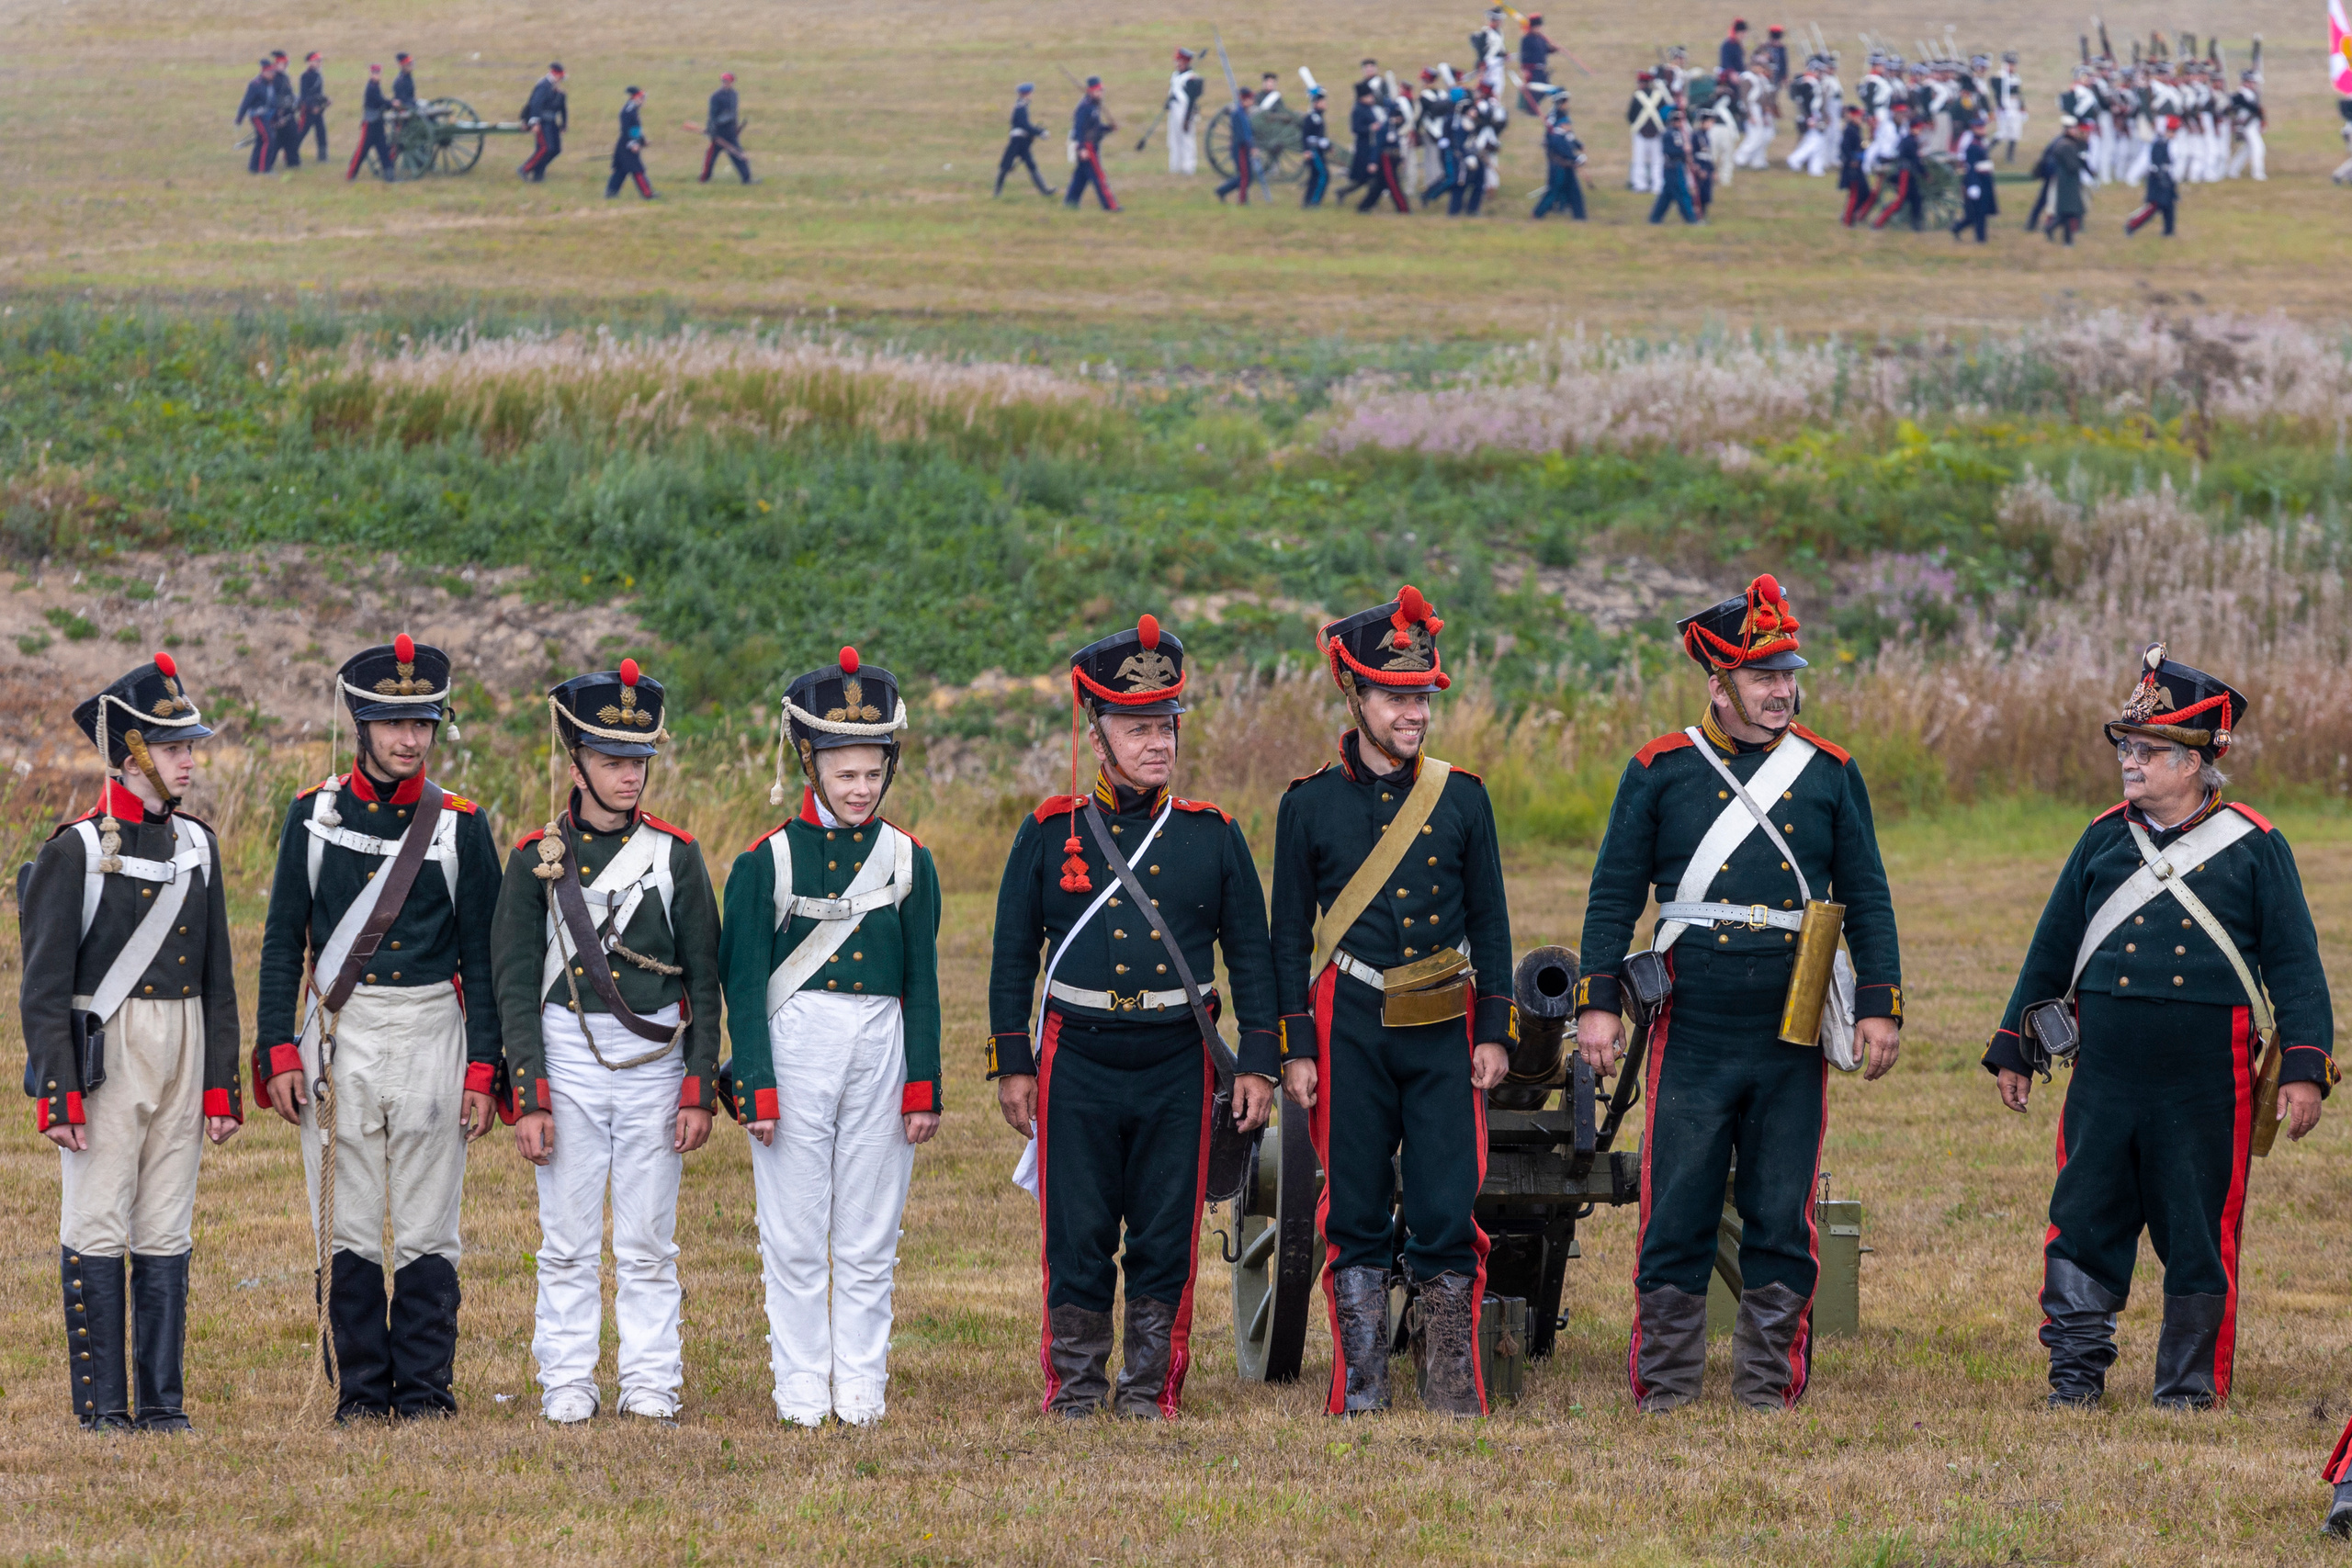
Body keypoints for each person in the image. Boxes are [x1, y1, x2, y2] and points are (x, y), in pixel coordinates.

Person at [1576, 576, 1902, 1414]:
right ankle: (1667, 1384)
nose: (1782, 689)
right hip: (1694, 1020)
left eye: (1788, 673)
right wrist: (1599, 1003)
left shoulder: (1830, 773)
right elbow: (1614, 894)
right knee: (1676, 1199)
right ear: (1718, 685)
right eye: (1763, 677)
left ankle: (1768, 1385)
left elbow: (1866, 894)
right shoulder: (1660, 769)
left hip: (1789, 1023)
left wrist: (1878, 1002)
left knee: (1780, 1203)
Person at [1986, 646, 2329, 1421]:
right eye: (2127, 747)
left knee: (2199, 1225)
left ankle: (2187, 1386)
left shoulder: (2255, 845)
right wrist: (2017, 1043)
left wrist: (2304, 1066)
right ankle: (2074, 1377)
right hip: (2103, 1070)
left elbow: (2296, 967)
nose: (2129, 762)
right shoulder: (2103, 838)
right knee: (2083, 1216)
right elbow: (2051, 946)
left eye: (2148, 750)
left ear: (2199, 764)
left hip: (2207, 1080)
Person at [986, 615, 1279, 1419]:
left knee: (1162, 1231)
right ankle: (1075, 1388)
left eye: (1167, 724)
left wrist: (1255, 1061)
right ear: (1099, 730)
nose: (1159, 742)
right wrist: (1014, 1061)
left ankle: (1150, 1388)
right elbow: (1013, 953)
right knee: (1075, 1233)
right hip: (1074, 1056)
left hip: (1177, 1060)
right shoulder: (1050, 831)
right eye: (1139, 726)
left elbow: (1251, 956)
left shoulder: (1212, 835)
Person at [1270, 587, 1515, 1417]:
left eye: (1423, 697)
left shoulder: (1464, 797)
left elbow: (1492, 920)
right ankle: (1362, 1387)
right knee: (1357, 1205)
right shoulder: (1306, 804)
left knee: (1449, 1201)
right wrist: (1295, 1045)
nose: (1414, 713)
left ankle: (1452, 1386)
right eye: (1398, 697)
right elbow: (1286, 937)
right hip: (1349, 1022)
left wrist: (1494, 1029)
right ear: (1356, 696)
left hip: (1446, 1017)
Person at [254, 637, 503, 1423]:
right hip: (339, 1029)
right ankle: (361, 1392)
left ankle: (426, 1391)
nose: (411, 739)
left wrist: (483, 1068)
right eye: (394, 723)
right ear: (360, 724)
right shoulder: (313, 816)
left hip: (433, 1026)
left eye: (423, 723)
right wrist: (278, 1046)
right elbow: (279, 937)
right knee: (349, 1222)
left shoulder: (462, 827)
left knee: (430, 1222)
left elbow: (485, 962)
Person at [492, 662, 721, 1426]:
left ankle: (652, 1378)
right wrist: (530, 1095)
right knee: (566, 1237)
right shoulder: (534, 857)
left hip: (654, 1059)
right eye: (615, 760)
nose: (631, 775)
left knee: (650, 1237)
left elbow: (705, 980)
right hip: (566, 1052)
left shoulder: (677, 855)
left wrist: (697, 1085)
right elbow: (515, 985)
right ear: (577, 761)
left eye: (640, 760)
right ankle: (567, 1377)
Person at [720, 649, 941, 1427]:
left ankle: (861, 1384)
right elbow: (742, 987)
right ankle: (800, 1384)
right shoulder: (764, 861)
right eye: (845, 774)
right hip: (797, 1039)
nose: (860, 789)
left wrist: (924, 1083)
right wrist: (756, 1084)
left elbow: (923, 981)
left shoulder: (909, 858)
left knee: (872, 1229)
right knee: (794, 1228)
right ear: (809, 765)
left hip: (881, 1039)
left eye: (873, 773)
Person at [20, 654, 238, 1433]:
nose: (189, 758)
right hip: (106, 1043)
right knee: (99, 1219)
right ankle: (106, 1406)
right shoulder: (74, 849)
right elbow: (43, 988)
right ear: (132, 754)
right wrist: (58, 1089)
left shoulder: (198, 847)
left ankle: (162, 1403)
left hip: (182, 1041)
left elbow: (219, 977)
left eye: (188, 745)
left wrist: (220, 1081)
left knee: (167, 1222)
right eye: (173, 746)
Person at [1065, 77, 1118, 212]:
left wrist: (1109, 128)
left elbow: (1096, 127)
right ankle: (1110, 206)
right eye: (1098, 91)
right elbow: (1079, 129)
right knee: (1098, 177)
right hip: (1087, 146)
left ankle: (1070, 202)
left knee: (1081, 176)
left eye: (1101, 91)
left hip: (1093, 145)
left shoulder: (1094, 106)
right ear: (1091, 91)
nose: (1101, 93)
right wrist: (1082, 148)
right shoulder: (1084, 107)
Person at [1531, 99, 1586, 219]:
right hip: (1559, 167)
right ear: (1562, 125)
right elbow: (1565, 152)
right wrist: (1577, 158)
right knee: (1553, 191)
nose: (1569, 126)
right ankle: (1537, 214)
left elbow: (1571, 147)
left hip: (1568, 167)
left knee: (1574, 191)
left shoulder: (1566, 136)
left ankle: (1580, 216)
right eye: (1567, 125)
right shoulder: (1557, 137)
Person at [1871, 114, 1928, 230]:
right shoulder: (1910, 141)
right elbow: (1915, 160)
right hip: (1905, 173)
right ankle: (1878, 222)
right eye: (1919, 128)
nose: (1920, 131)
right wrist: (1925, 173)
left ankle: (1916, 224)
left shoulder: (1908, 140)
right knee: (1900, 201)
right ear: (1913, 128)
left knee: (1916, 199)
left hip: (1908, 174)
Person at [995, 84, 1052, 197]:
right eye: (1030, 94)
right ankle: (997, 192)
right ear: (1026, 94)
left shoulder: (1022, 106)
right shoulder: (1021, 107)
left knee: (1031, 165)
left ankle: (1044, 190)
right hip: (1017, 141)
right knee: (1006, 165)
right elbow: (1024, 125)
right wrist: (1040, 132)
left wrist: (1035, 132)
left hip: (1022, 141)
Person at [2124, 117, 2178, 236]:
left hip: (2166, 178)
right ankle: (2132, 225)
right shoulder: (2157, 143)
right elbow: (2151, 164)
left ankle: (2168, 231)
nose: (2174, 134)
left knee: (2169, 207)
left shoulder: (2168, 143)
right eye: (2171, 130)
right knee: (2153, 207)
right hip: (2158, 180)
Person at [1951, 115, 1997, 242]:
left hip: (1984, 180)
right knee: (1978, 213)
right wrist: (1973, 185)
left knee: (1980, 212)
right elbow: (1971, 167)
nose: (1984, 130)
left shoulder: (1980, 143)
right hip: (1977, 181)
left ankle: (1972, 234)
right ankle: (1980, 238)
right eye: (1981, 128)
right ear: (1975, 129)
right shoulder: (1972, 146)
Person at [518, 62, 567, 182]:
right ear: (555, 75)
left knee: (556, 149)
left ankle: (538, 173)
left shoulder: (556, 89)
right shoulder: (543, 85)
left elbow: (562, 108)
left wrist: (563, 124)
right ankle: (525, 169)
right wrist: (534, 122)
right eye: (560, 77)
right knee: (545, 148)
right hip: (542, 122)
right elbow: (535, 104)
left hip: (552, 122)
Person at [1648, 107, 1699, 223]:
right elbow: (1669, 151)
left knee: (1666, 195)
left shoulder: (1681, 134)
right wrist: (1683, 150)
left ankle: (1655, 218)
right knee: (1682, 193)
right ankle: (1690, 218)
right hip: (1672, 167)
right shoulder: (1668, 134)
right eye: (1676, 120)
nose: (1679, 122)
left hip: (1678, 166)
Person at [701, 72, 752, 184]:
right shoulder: (716, 96)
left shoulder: (734, 95)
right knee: (710, 158)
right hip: (719, 133)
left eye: (727, 81)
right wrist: (712, 132)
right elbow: (712, 116)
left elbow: (734, 113)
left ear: (732, 82)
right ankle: (704, 178)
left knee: (738, 156)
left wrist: (735, 128)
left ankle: (747, 179)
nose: (725, 83)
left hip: (730, 133)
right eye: (723, 81)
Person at [2043, 118, 2087, 244]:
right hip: (2068, 181)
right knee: (2067, 212)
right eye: (2073, 129)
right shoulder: (2066, 146)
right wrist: (2081, 160)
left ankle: (2062, 236)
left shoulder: (2068, 143)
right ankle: (2064, 238)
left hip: (2069, 181)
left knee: (2068, 213)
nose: (2075, 131)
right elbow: (2072, 165)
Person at [605, 86, 655, 200]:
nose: (643, 101)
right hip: (626, 146)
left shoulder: (633, 110)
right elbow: (626, 129)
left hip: (627, 145)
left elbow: (636, 129)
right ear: (636, 98)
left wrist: (642, 141)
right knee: (637, 169)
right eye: (642, 99)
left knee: (621, 171)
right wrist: (633, 143)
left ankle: (611, 193)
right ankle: (647, 194)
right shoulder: (627, 111)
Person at [347, 63, 393, 180]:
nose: (376, 75)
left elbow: (381, 102)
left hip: (378, 123)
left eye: (378, 73)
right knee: (362, 151)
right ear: (371, 74)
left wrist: (389, 104)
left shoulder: (376, 86)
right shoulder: (371, 88)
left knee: (383, 149)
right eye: (374, 73)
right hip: (370, 124)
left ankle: (389, 176)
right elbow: (379, 101)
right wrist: (392, 103)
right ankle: (351, 174)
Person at [1627, 70, 1668, 193]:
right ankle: (1658, 185)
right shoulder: (1659, 96)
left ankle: (1640, 184)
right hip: (1656, 133)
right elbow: (1665, 114)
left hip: (1641, 133)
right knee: (1657, 161)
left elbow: (1631, 116)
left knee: (1639, 160)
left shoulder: (1637, 96)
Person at [236, 57, 277, 175]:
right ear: (263, 72)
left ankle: (253, 167)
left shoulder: (271, 84)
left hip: (268, 117)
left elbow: (273, 101)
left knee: (261, 140)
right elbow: (246, 102)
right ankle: (264, 169)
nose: (272, 75)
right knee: (268, 140)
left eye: (273, 72)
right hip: (257, 116)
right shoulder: (255, 85)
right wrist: (239, 118)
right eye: (270, 72)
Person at [1165, 50, 1204, 175]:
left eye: (1181, 61)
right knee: (1174, 139)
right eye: (1177, 61)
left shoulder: (1191, 78)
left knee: (1187, 140)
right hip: (1174, 111)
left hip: (1185, 111)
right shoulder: (1175, 76)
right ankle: (1175, 165)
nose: (1178, 64)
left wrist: (1187, 118)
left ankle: (1189, 166)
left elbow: (1192, 99)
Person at [1215, 87, 1257, 203]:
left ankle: (1222, 190)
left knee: (1247, 177)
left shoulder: (1243, 113)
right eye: (1250, 99)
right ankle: (1242, 201)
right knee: (1244, 176)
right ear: (1244, 99)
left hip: (1244, 147)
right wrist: (1251, 148)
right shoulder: (1237, 114)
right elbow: (1242, 135)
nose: (1252, 101)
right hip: (1240, 148)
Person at [1837, 103, 1873, 224]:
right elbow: (1845, 148)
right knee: (1854, 194)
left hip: (1858, 166)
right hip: (1852, 168)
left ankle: (1853, 215)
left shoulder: (1856, 130)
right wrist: (1852, 160)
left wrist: (1867, 143)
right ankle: (1847, 220)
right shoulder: (1849, 131)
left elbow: (1861, 146)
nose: (1860, 120)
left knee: (1863, 192)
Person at [2225, 70, 2265, 181]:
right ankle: (2258, 173)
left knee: (2246, 150)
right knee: (2258, 148)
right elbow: (2253, 109)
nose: (2254, 85)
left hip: (2252, 125)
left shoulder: (2250, 94)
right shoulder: (2241, 94)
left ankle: (2233, 170)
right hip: (2246, 126)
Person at [267, 52, 302, 170]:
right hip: (279, 114)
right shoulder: (274, 79)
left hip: (289, 112)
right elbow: (272, 98)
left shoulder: (285, 77)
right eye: (284, 64)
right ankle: (268, 164)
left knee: (293, 137)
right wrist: (277, 115)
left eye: (286, 64)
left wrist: (296, 102)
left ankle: (293, 163)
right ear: (277, 64)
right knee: (277, 141)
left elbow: (290, 93)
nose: (286, 66)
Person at [1299, 85, 1332, 206]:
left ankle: (1308, 201)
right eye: (1322, 101)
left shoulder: (1318, 117)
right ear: (1316, 103)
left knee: (1315, 176)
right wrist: (1307, 150)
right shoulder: (1312, 118)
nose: (1325, 104)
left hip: (1318, 151)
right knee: (1323, 175)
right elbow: (1306, 136)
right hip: (1314, 152)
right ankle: (1314, 201)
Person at [1519, 14, 1555, 115]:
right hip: (1532, 70)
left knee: (1545, 89)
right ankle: (1531, 110)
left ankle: (1534, 108)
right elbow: (1524, 56)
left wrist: (1553, 49)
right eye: (1537, 26)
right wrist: (1525, 71)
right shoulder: (1526, 39)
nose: (1539, 28)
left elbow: (1544, 50)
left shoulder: (1541, 39)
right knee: (1534, 91)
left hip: (1541, 69)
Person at [1992, 51, 2026, 161]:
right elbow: (1998, 94)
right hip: (2005, 106)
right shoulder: (1999, 77)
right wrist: (2002, 107)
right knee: (2002, 132)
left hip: (2014, 106)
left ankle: (2010, 156)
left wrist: (2022, 107)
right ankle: (1986, 150)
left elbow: (2018, 93)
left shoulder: (2015, 77)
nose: (2012, 67)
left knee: (2015, 132)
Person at [298, 51, 330, 162]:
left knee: (321, 133)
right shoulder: (305, 76)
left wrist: (325, 100)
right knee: (301, 133)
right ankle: (290, 153)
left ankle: (323, 157)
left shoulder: (318, 75)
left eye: (320, 61)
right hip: (308, 110)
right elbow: (304, 96)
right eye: (317, 61)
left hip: (319, 109)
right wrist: (312, 108)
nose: (319, 63)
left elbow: (318, 94)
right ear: (310, 62)